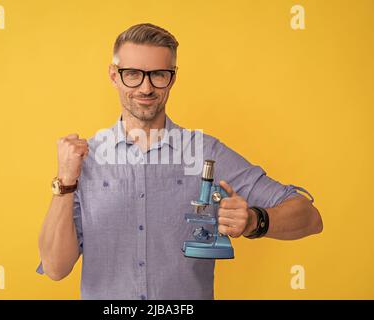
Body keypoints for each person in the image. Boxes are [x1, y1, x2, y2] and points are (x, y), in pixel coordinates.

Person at [36, 23, 323, 300]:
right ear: (113, 75)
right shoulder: (84, 160)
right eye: (133, 74)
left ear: (172, 77)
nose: (146, 88)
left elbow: (309, 217)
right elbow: (55, 268)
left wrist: (253, 221)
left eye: (158, 74)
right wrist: (65, 182)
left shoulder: (206, 153)